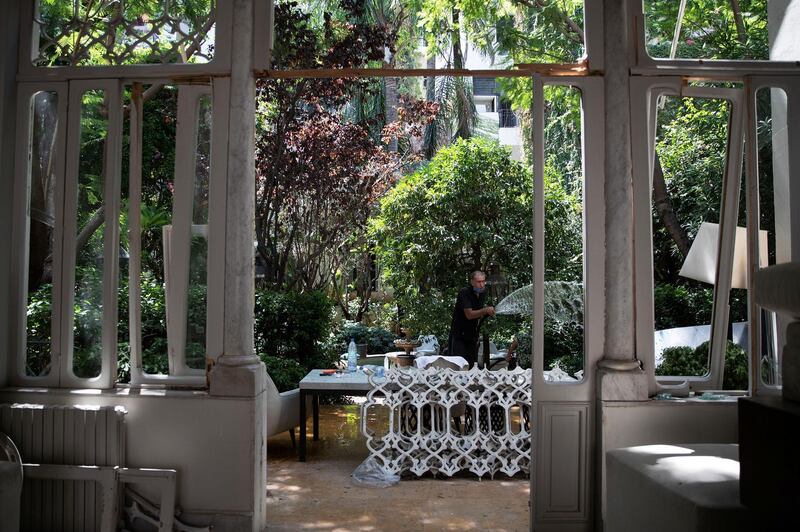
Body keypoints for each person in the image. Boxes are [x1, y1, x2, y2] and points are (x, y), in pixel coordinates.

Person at [447, 270, 495, 367]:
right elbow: (469, 315)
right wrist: (485, 310)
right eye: (478, 282)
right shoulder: (465, 292)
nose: (482, 285)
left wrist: (488, 313)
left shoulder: (482, 293)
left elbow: (478, 312)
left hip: (472, 335)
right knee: (459, 365)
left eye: (483, 281)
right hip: (459, 336)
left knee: (471, 365)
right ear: (472, 282)